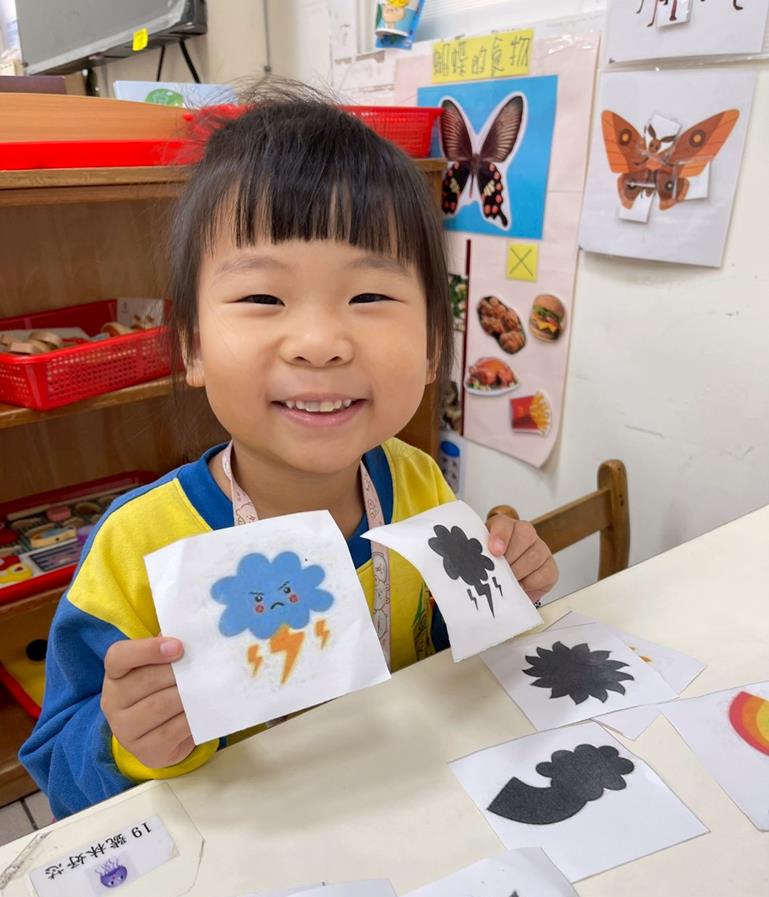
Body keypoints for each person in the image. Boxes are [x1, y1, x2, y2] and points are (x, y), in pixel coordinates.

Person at [20, 83, 557, 818]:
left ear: (434, 343)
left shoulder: (417, 480)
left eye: (369, 298)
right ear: (192, 347)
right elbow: (58, 768)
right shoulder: (136, 547)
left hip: (412, 816)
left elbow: (434, 647)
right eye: (262, 299)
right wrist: (127, 742)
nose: (319, 343)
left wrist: (498, 587)